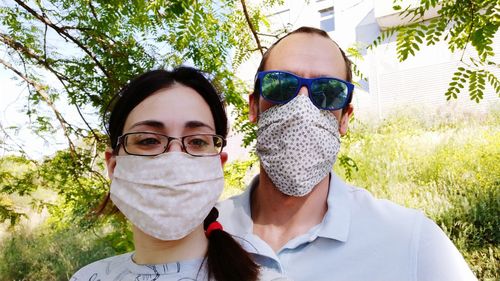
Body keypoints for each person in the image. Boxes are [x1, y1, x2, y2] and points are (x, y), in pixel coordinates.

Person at [217, 27, 477, 281]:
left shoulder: (411, 240)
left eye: (328, 92)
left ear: (344, 120)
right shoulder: (202, 231)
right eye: (282, 85)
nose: (302, 106)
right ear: (253, 107)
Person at [70, 67, 289, 281]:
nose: (174, 159)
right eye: (148, 140)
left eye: (197, 141)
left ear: (218, 166)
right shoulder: (87, 276)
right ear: (114, 167)